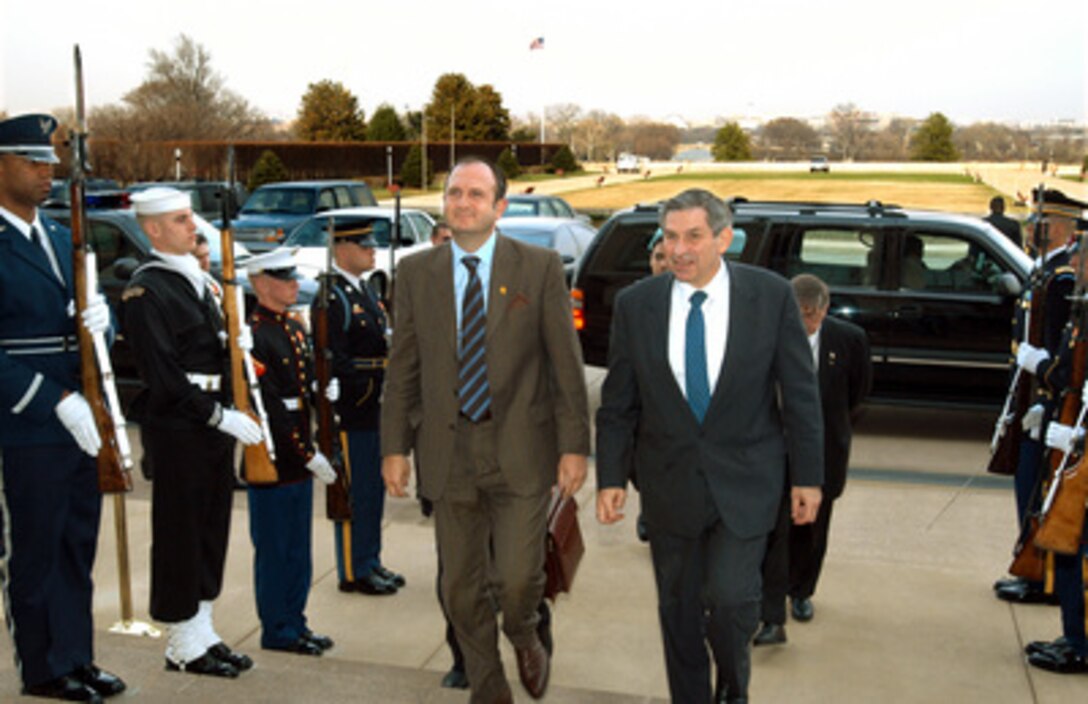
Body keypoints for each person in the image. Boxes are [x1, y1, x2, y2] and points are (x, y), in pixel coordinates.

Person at [595, 188, 823, 704]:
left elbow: (801, 395)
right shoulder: (637, 305)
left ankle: (733, 685)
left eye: (693, 237)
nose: (680, 250)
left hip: (748, 481)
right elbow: (618, 404)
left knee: (729, 600)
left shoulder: (769, 297)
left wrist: (808, 477)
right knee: (677, 610)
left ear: (724, 238)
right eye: (670, 237)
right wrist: (610, 477)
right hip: (670, 482)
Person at [382, 156, 590, 703]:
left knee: (518, 580)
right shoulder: (415, 274)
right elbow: (402, 368)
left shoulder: (539, 267)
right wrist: (393, 448)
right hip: (448, 453)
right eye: (454, 193)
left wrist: (574, 447)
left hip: (520, 448)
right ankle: (489, 686)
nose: (463, 203)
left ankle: (524, 632)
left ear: (499, 207)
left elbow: (565, 366)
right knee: (459, 586)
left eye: (476, 194)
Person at [0, 114, 125, 702]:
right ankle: (43, 667)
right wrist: (52, 400)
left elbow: (87, 315)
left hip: (81, 416)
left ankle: (76, 655)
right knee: (37, 548)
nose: (48, 172)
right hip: (30, 420)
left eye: (51, 162)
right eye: (33, 162)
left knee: (77, 542)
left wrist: (106, 316)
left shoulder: (55, 235)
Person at [122, 186, 263, 677]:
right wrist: (216, 415)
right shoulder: (148, 289)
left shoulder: (198, 281)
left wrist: (237, 345)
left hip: (208, 425)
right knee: (180, 535)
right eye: (181, 219)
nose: (193, 227)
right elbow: (163, 375)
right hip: (181, 426)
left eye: (191, 218)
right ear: (154, 229)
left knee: (210, 530)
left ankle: (202, 629)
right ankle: (180, 641)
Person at [754, 274, 871, 646]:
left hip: (823, 451)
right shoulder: (763, 336)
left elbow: (857, 395)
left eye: (811, 314)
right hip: (772, 451)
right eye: (798, 313)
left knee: (812, 529)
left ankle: (801, 591)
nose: (806, 322)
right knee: (772, 531)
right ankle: (770, 610)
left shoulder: (849, 340)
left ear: (824, 309)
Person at [244, 249, 338, 656]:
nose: (294, 284)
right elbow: (268, 409)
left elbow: (301, 389)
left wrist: (322, 392)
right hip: (275, 458)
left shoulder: (294, 327)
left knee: (298, 547)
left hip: (297, 454)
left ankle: (295, 622)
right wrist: (305, 453)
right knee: (276, 549)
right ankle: (277, 628)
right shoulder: (255, 334)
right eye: (284, 278)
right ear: (261, 284)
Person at [994, 188, 1082, 605]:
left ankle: (1043, 578)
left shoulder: (1064, 278)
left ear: (1063, 231)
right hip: (1034, 396)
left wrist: (1042, 379)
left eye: (1040, 224)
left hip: (1048, 400)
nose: (1031, 229)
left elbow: (1066, 353)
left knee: (1038, 488)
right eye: (1032, 222)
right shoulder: (1045, 272)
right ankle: (1032, 571)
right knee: (1027, 485)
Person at [317, 219, 403, 595]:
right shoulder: (332, 296)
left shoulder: (364, 289)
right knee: (356, 491)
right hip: (354, 406)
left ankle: (370, 559)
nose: (372, 250)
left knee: (373, 489)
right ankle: (353, 569)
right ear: (341, 248)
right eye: (363, 244)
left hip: (375, 404)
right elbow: (331, 356)